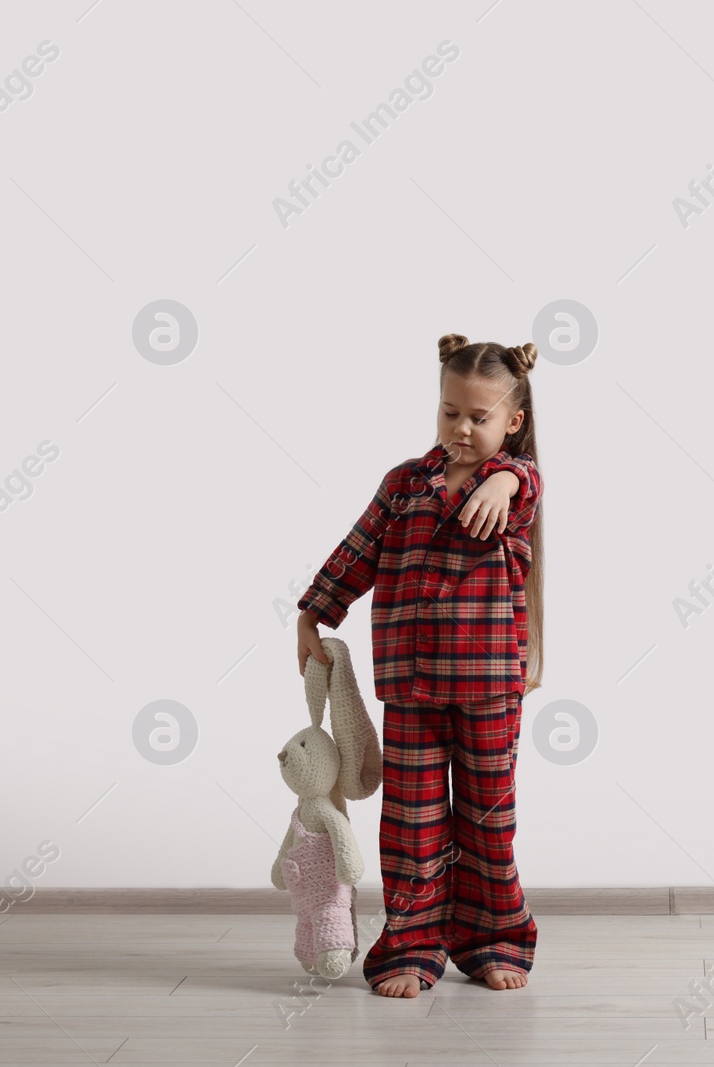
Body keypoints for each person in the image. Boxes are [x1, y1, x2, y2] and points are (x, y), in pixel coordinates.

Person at [294, 332, 545, 998]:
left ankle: (495, 935)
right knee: (412, 822)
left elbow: (528, 485)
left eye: (480, 417)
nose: (462, 427)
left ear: (513, 421)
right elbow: (358, 548)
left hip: (490, 684)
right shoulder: (405, 483)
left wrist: (506, 471)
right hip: (409, 684)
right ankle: (411, 941)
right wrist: (313, 612)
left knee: (488, 820)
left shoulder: (515, 484)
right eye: (450, 412)